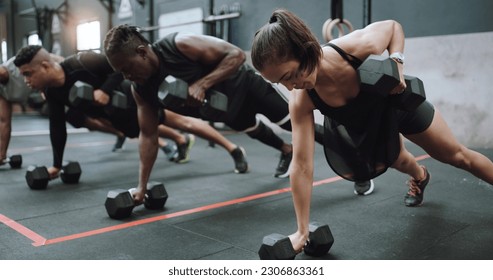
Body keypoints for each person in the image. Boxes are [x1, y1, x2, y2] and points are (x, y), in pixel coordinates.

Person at [251, 9, 493, 252]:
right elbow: (302, 165)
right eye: (280, 82)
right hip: (364, 123)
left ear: (302, 50)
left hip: (397, 104)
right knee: (396, 159)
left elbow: (392, 27)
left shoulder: (354, 47)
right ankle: (420, 176)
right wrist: (301, 231)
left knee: (457, 156)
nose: (290, 85)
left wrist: (397, 60)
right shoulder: (301, 99)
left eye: (289, 75)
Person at [103, 24, 350, 203]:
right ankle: (285, 151)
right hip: (224, 110)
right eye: (120, 73)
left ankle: (354, 158)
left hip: (247, 87)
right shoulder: (141, 90)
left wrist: (203, 83)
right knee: (253, 130)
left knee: (293, 125)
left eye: (126, 68)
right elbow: (148, 135)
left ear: (143, 52)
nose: (126, 77)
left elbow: (237, 55)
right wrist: (141, 186)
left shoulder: (180, 45)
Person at [13, 45, 248, 179]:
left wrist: (105, 90)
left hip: (133, 98)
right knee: (148, 131)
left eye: (27, 73)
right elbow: (57, 126)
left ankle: (234, 149)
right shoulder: (52, 91)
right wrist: (56, 164)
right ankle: (181, 141)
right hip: (116, 115)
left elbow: (120, 67)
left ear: (45, 66)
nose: (26, 80)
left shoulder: (81, 61)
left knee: (181, 122)